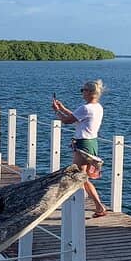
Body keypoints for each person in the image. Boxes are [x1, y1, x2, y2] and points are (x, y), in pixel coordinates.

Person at [52, 79, 109, 217]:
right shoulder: (98, 107)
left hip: (83, 144)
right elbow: (77, 117)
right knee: (82, 177)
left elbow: (67, 120)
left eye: (83, 90)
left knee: (78, 176)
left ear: (89, 92)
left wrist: (56, 111)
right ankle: (98, 206)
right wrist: (62, 108)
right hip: (91, 143)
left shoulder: (86, 108)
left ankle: (97, 206)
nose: (82, 93)